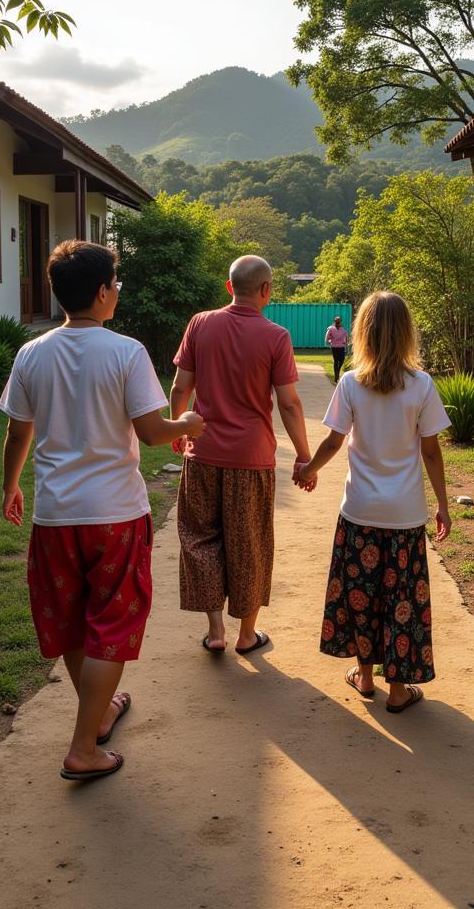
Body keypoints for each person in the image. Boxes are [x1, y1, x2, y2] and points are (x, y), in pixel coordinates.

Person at [0, 240, 204, 782]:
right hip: (114, 514)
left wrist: (10, 487)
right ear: (101, 292)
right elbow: (152, 432)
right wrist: (188, 427)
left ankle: (100, 712)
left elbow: (19, 429)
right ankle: (83, 747)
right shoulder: (126, 352)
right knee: (111, 624)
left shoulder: (31, 353)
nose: (117, 291)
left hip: (55, 517)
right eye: (115, 282)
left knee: (72, 624)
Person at [297, 291, 451, 712]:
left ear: (361, 333)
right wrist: (443, 504)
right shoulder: (421, 385)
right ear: (406, 333)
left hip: (360, 512)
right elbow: (431, 451)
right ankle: (398, 690)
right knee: (402, 598)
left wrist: (309, 470)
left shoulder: (350, 383)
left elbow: (333, 441)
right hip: (404, 516)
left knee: (361, 592)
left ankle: (364, 676)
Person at [170, 254, 313, 655]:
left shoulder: (200, 323)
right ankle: (247, 635)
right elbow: (288, 405)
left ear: (228, 286)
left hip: (202, 452)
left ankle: (215, 630)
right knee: (249, 543)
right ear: (266, 290)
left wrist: (177, 429)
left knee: (200, 537)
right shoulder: (276, 337)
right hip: (251, 459)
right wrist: (304, 456)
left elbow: (181, 387)